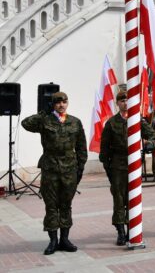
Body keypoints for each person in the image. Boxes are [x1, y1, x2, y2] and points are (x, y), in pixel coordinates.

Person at [21, 92, 87, 255]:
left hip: (69, 169)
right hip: (50, 168)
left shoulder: (75, 122)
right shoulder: (45, 121)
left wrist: (80, 167)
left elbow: (81, 147)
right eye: (58, 103)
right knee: (51, 205)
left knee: (66, 205)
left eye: (64, 102)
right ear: (53, 105)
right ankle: (53, 241)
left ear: (67, 103)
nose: (61, 105)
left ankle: (64, 239)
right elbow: (25, 124)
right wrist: (42, 113)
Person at [100, 90, 155, 245]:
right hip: (118, 164)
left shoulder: (137, 120)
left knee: (133, 198)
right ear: (117, 103)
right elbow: (104, 149)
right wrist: (108, 168)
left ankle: (132, 229)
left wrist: (147, 143)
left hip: (134, 164)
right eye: (122, 100)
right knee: (119, 199)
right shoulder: (111, 123)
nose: (125, 103)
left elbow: (152, 136)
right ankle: (120, 232)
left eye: (127, 100)